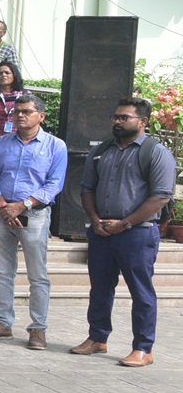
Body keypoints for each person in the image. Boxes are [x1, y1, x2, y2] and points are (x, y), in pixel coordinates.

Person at [74, 98, 176, 366]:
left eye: (124, 118)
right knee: (100, 288)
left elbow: (160, 197)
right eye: (116, 117)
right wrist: (95, 220)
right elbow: (86, 188)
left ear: (142, 122)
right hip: (102, 232)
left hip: (137, 234)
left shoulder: (155, 152)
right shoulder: (102, 150)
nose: (117, 121)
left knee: (141, 291)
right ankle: (97, 338)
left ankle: (143, 348)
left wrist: (125, 223)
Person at [0, 92, 67, 349]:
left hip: (34, 215)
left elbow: (54, 185)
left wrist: (23, 205)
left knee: (37, 274)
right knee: (4, 271)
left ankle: (38, 329)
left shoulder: (55, 146)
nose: (20, 115)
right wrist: (4, 206)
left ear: (41, 115)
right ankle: (3, 323)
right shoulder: (2, 143)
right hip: (2, 213)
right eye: (17, 111)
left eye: (27, 111)